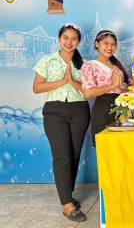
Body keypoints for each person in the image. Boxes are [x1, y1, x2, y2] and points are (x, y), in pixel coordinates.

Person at [33, 23, 90, 222]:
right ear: (59, 39)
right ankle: (66, 205)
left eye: (74, 38)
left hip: (79, 110)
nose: (69, 42)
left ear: (78, 41)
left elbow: (89, 91)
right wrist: (62, 81)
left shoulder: (84, 64)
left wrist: (73, 82)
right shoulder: (47, 60)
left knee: (74, 156)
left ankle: (68, 195)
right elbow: (37, 88)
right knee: (62, 156)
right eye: (66, 37)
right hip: (54, 111)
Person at [81, 30, 129, 147]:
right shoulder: (90, 65)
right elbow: (87, 93)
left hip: (123, 108)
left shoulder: (118, 65)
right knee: (105, 149)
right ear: (97, 44)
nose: (109, 47)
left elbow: (131, 88)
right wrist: (112, 85)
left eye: (113, 44)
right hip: (103, 109)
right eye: (105, 43)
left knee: (123, 149)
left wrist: (121, 85)